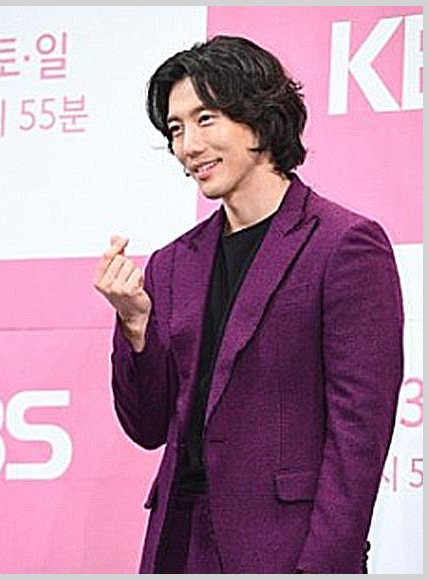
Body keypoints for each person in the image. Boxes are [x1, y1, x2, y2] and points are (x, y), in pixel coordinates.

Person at [93, 35, 404, 574]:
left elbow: (359, 439)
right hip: (179, 546)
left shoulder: (345, 245)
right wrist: (135, 324)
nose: (188, 145)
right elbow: (147, 426)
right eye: (176, 129)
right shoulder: (172, 263)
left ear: (259, 119)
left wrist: (323, 566)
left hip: (285, 550)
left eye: (205, 119)